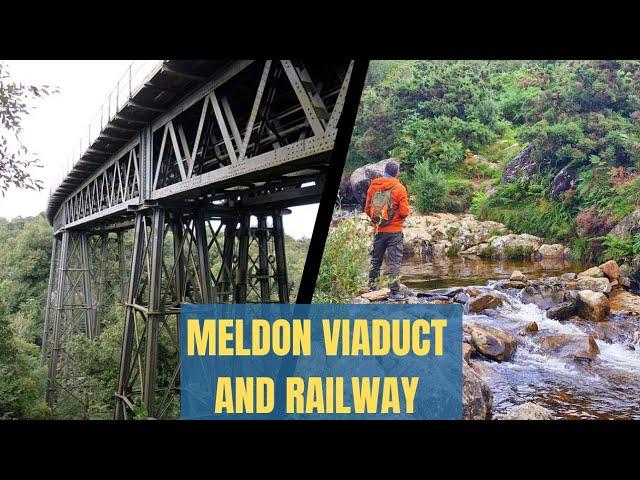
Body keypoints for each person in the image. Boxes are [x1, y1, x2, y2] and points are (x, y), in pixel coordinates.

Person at [364, 161, 409, 301]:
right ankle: (394, 293)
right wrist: (398, 219)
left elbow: (367, 209)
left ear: (385, 170)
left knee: (376, 260)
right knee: (394, 261)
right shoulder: (400, 188)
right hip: (395, 231)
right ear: (397, 172)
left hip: (378, 230)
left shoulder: (373, 186)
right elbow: (404, 212)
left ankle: (372, 288)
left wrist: (377, 221)